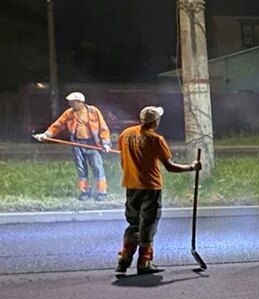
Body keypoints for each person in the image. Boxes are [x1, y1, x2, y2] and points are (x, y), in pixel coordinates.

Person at [115, 106, 201, 274]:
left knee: (133, 224)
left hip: (131, 186)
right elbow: (170, 167)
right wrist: (192, 167)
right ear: (155, 121)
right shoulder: (156, 139)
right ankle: (144, 263)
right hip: (150, 187)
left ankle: (123, 261)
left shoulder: (126, 134)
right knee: (147, 225)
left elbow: (124, 158)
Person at [34, 91, 112, 200]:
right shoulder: (69, 113)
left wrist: (106, 143)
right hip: (76, 143)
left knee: (97, 167)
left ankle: (102, 192)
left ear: (80, 102)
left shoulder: (93, 111)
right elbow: (57, 125)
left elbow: (103, 128)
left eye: (72, 102)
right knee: (81, 169)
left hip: (92, 143)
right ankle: (85, 191)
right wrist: (46, 135)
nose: (70, 104)